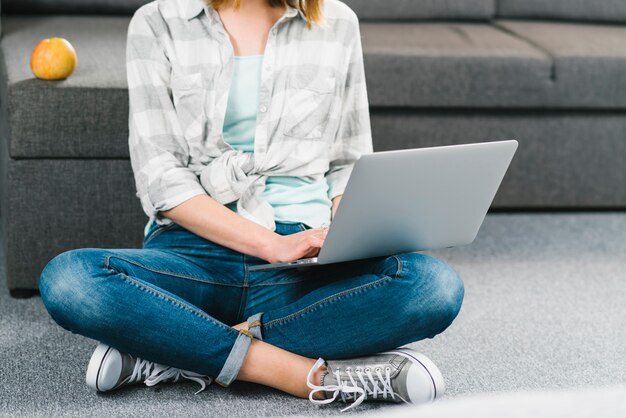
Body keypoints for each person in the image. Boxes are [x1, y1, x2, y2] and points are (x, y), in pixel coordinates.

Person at [38, 0, 464, 412]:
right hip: (194, 254)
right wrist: (269, 245)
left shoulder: (337, 20)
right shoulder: (158, 20)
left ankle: (178, 347)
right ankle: (299, 373)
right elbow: (161, 177)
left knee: (432, 286)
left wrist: (349, 226)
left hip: (305, 260)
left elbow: (347, 160)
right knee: (71, 279)